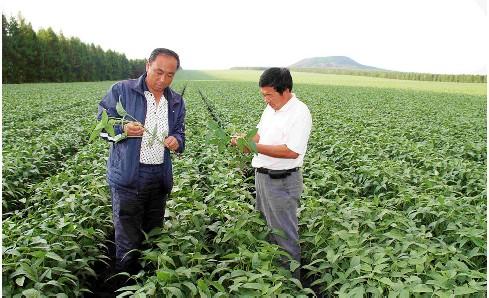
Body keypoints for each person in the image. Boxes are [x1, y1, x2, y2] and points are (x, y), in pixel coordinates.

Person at [97, 48, 186, 275]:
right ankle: (126, 284)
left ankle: (148, 283)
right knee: (128, 242)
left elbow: (180, 133)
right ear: (148, 65)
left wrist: (176, 140)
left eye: (170, 75)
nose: (163, 79)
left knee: (153, 236)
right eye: (158, 72)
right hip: (129, 178)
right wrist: (122, 128)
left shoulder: (175, 101)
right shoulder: (122, 91)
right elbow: (102, 125)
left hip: (159, 178)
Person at [231, 67, 312, 278]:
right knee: (267, 228)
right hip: (263, 176)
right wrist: (244, 140)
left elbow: (292, 151)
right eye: (263, 95)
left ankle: (291, 283)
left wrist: (253, 147)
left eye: (269, 94)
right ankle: (273, 278)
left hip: (282, 181)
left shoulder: (299, 112)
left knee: (284, 234)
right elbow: (259, 135)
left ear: (285, 90)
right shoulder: (271, 109)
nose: (265, 99)